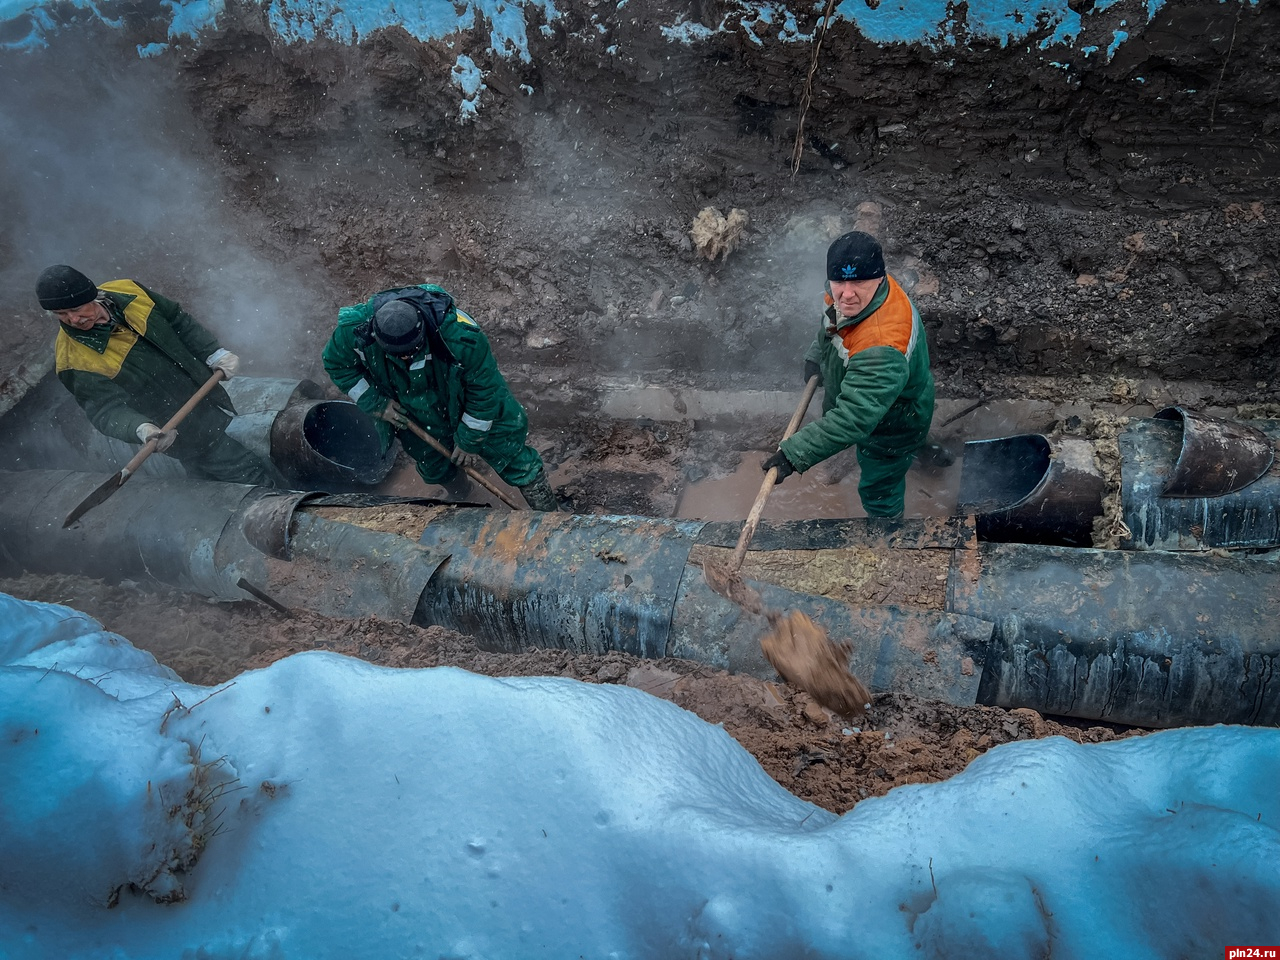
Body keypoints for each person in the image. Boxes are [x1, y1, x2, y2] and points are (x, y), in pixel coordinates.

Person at [36, 264, 282, 487]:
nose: (73, 319)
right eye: (61, 315)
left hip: (205, 393)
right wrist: (140, 428)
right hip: (179, 426)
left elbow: (177, 320)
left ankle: (208, 492)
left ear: (91, 296)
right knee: (244, 470)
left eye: (76, 309)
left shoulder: (129, 292)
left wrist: (213, 352)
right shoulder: (73, 360)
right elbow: (104, 411)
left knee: (213, 475)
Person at [322, 282, 560, 511]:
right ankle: (462, 498)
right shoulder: (355, 332)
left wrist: (470, 438)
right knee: (434, 463)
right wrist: (375, 403)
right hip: (411, 407)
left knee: (509, 452)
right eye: (398, 355)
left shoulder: (462, 338)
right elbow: (336, 363)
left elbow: (485, 390)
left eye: (411, 353)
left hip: (465, 401)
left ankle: (549, 513)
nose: (406, 359)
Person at [762, 231, 935, 518]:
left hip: (892, 422)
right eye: (840, 281)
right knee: (907, 448)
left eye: (858, 281)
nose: (847, 293)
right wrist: (816, 355)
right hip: (890, 399)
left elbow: (853, 418)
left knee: (880, 487)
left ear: (879, 278)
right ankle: (926, 454)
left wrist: (792, 455)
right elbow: (832, 323)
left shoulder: (882, 346)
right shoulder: (842, 295)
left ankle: (887, 537)